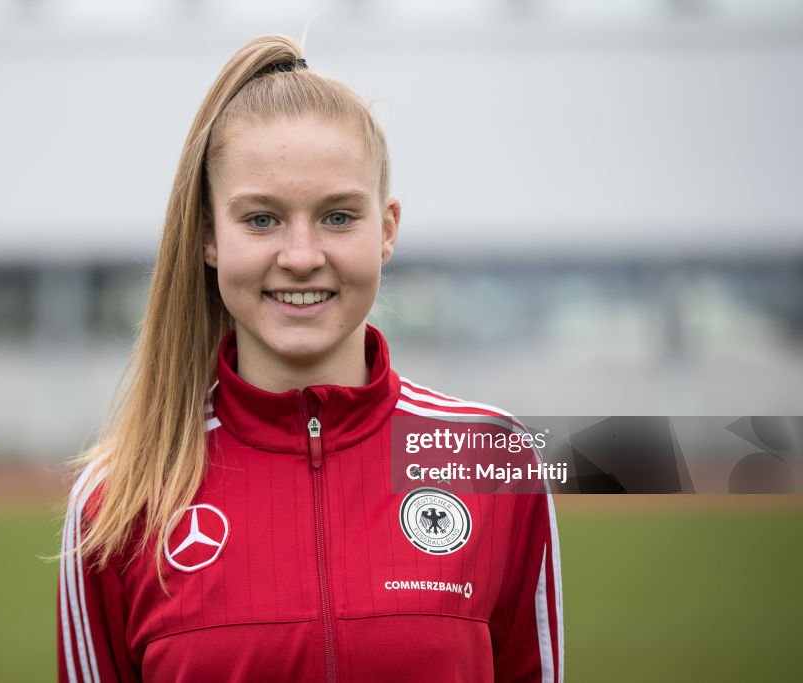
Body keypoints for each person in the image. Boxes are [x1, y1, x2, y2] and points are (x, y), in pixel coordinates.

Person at [57, 34, 563, 682]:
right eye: (262, 219)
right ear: (209, 235)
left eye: (337, 216)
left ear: (386, 229)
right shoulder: (118, 499)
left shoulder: (493, 459)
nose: (300, 255)